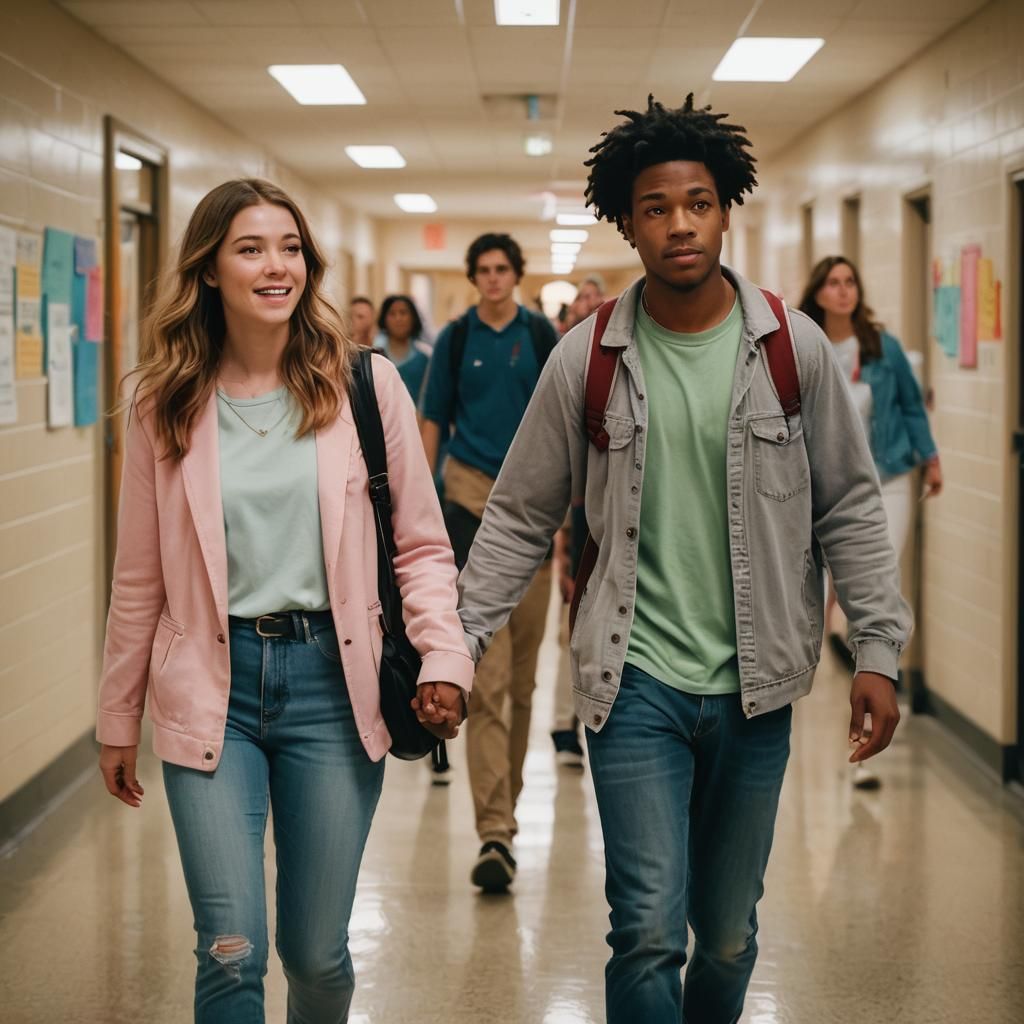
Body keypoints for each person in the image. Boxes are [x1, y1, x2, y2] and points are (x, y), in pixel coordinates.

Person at [455, 95, 911, 1023]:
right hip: (632, 682)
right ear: (629, 225)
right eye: (656, 209)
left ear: (725, 210)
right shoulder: (585, 360)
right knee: (647, 929)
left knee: (729, 932)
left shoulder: (792, 349)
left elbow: (851, 507)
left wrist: (877, 650)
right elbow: (517, 517)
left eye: (698, 203)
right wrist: (453, 644)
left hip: (757, 683)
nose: (680, 225)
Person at [95, 178, 470, 1023]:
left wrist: (444, 656)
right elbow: (139, 577)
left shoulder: (364, 386)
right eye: (251, 249)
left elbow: (420, 545)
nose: (277, 266)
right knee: (230, 950)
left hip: (332, 686)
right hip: (210, 686)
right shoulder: (163, 401)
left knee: (315, 954)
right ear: (209, 270)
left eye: (290, 248)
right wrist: (118, 716)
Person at [419, 232, 559, 886]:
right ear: (474, 277)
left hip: (535, 509)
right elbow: (433, 421)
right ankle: (494, 831)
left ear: (516, 274)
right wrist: (418, 501)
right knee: (489, 678)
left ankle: (510, 809)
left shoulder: (539, 335)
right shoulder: (456, 339)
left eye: (504, 268)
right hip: (470, 504)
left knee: (523, 684)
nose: (494, 278)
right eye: (485, 270)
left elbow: (566, 420)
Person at [799, 254, 942, 789]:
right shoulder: (804, 344)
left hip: (889, 477)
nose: (844, 290)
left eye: (850, 282)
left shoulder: (883, 347)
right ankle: (838, 666)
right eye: (833, 283)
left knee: (877, 584)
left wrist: (931, 458)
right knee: (835, 597)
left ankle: (869, 703)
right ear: (818, 292)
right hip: (825, 488)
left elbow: (911, 406)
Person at [374, 293, 432, 403]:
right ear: (384, 319)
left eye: (403, 313)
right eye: (392, 314)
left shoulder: (425, 356)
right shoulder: (375, 357)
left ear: (413, 318)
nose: (398, 318)